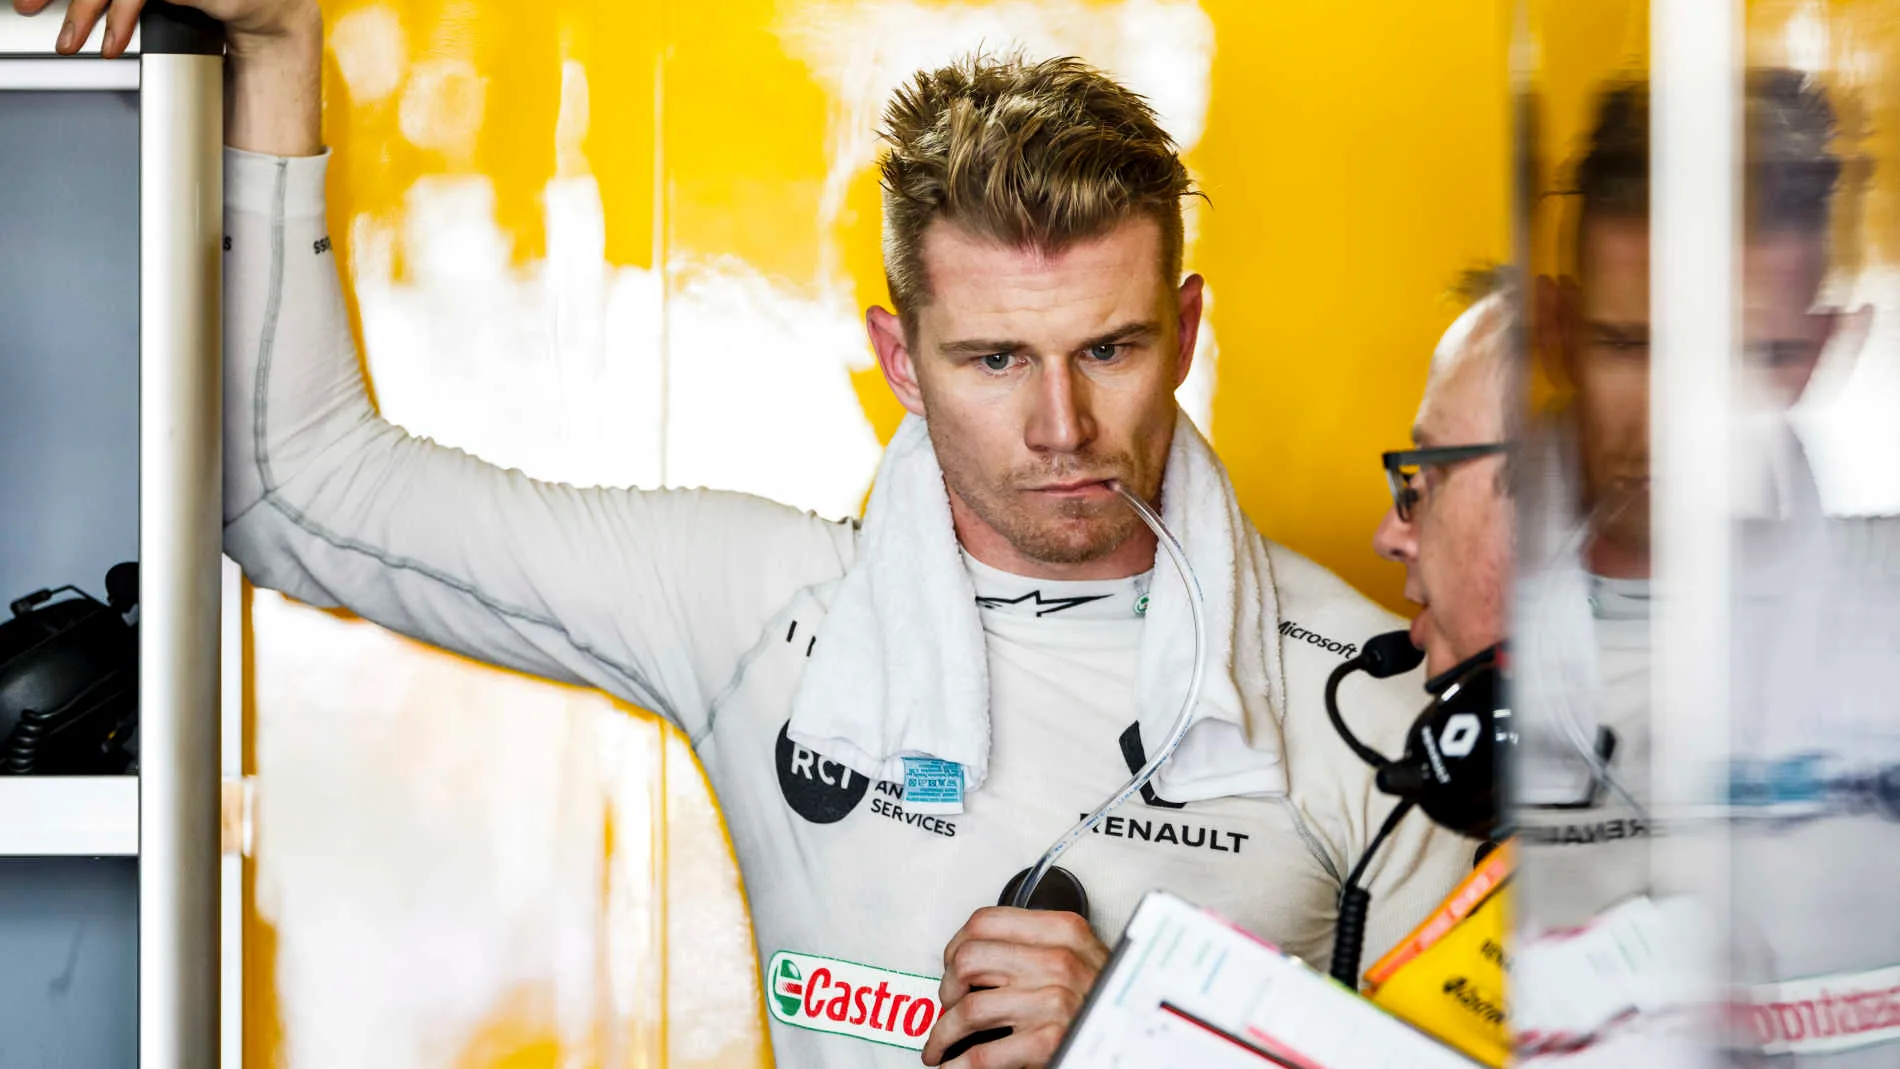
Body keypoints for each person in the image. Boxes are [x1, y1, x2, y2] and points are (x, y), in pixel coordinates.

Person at [20, 1, 1472, 1065]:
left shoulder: (1366, 691)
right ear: (898, 359)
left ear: (1189, 328)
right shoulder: (769, 615)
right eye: (991, 361)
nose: (1059, 431)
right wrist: (273, 46)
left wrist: (1151, 1041)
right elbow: (293, 494)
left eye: (1109, 349)